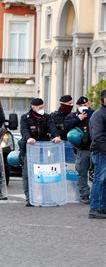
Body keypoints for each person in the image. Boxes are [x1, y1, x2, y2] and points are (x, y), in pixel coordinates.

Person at [19, 98, 61, 207]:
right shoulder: (25, 118)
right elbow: (24, 130)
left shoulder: (47, 117)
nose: (42, 109)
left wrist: (56, 136)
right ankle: (30, 198)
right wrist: (28, 138)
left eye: (43, 107)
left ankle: (47, 197)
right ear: (33, 107)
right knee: (27, 174)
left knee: (45, 173)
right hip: (29, 148)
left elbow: (52, 128)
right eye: (40, 107)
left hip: (43, 149)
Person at [64, 96, 93, 204]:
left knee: (99, 174)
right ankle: (84, 195)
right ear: (77, 106)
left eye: (85, 105)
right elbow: (65, 127)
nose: (84, 107)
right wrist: (78, 118)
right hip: (82, 149)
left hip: (96, 148)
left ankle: (97, 195)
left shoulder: (94, 114)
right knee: (82, 172)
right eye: (81, 105)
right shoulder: (72, 116)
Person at [88, 90, 106, 219]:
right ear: (103, 99)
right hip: (101, 152)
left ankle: (103, 208)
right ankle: (94, 209)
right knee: (99, 180)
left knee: (104, 181)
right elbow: (98, 137)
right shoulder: (98, 115)